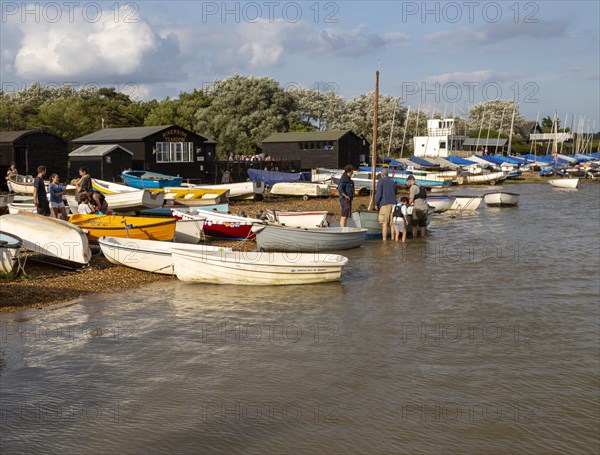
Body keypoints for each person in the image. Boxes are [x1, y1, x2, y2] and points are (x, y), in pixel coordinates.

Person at [374, 168, 397, 241]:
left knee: (384, 223)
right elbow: (395, 192)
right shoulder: (393, 182)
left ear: (381, 174)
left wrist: (376, 203)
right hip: (394, 204)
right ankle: (393, 238)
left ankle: (384, 240)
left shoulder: (380, 181)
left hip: (385, 203)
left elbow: (379, 194)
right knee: (392, 223)